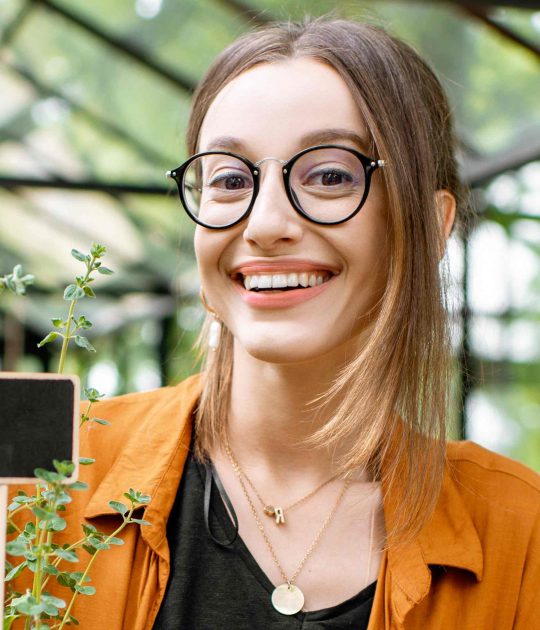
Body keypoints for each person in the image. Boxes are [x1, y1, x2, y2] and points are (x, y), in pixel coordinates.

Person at [8, 16, 540, 630]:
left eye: (330, 175)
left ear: (429, 225)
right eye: (230, 179)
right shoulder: (45, 468)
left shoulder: (519, 532)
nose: (264, 224)